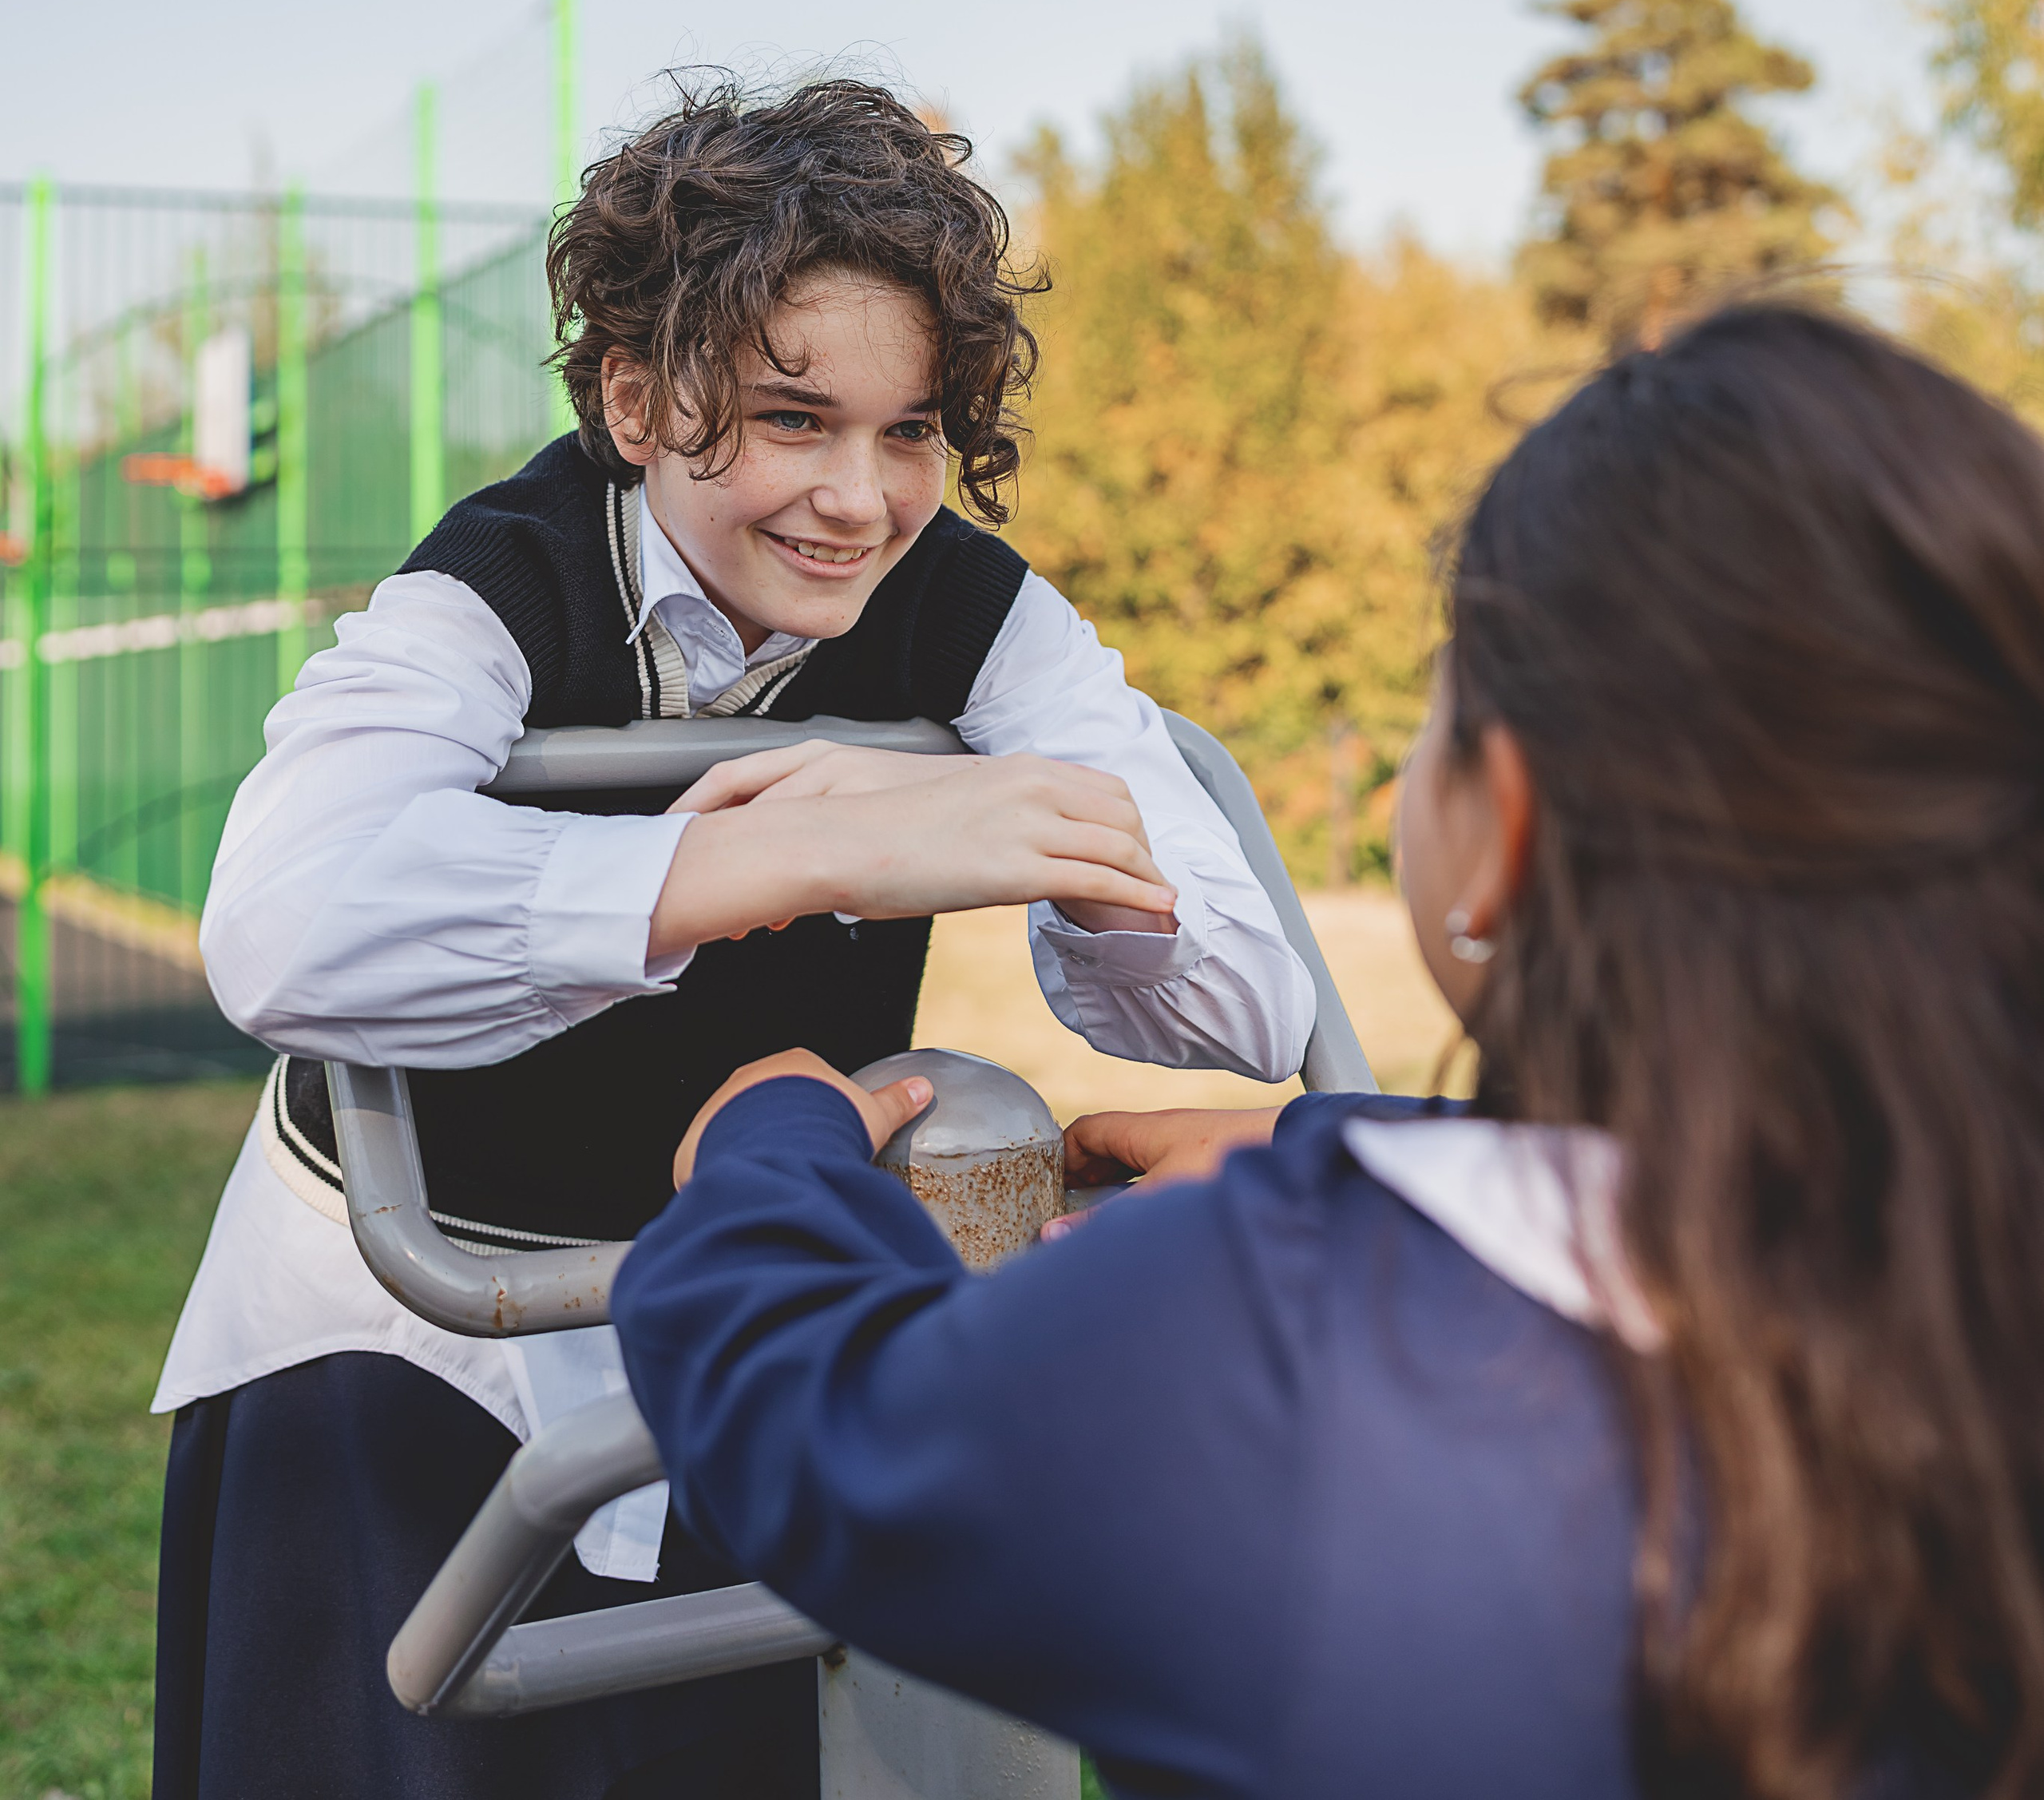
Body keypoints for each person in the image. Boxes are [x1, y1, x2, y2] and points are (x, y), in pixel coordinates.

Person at [614, 304, 2044, 1800]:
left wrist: (767, 1154)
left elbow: (815, 1421)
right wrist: (1351, 1154)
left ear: (1502, 831)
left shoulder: (1264, 1345)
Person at [150, 77, 1313, 1800]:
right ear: (634, 393)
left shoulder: (986, 618)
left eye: (908, 428)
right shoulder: (486, 586)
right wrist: (798, 848)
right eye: (790, 417)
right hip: (414, 1357)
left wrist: (1078, 862)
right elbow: (280, 915)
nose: (857, 496)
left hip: (760, 1335)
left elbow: (1245, 992)